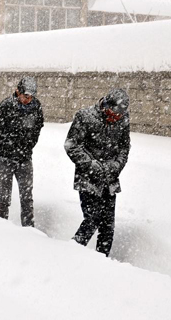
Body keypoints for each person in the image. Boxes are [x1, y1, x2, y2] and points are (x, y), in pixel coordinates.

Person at [64, 88, 131, 257]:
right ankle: (70, 253)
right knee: (92, 219)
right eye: (113, 113)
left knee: (108, 225)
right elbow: (71, 145)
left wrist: (116, 166)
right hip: (88, 177)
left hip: (110, 178)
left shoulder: (123, 120)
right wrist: (90, 165)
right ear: (105, 106)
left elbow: (124, 148)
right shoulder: (85, 116)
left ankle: (102, 260)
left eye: (119, 115)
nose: (116, 118)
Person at [0, 76, 44, 227]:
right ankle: (1, 225)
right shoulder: (5, 106)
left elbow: (38, 129)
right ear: (18, 92)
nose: (28, 99)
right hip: (4, 159)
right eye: (25, 96)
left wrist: (28, 145)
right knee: (4, 197)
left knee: (27, 197)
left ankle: (29, 229)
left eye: (31, 96)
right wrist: (6, 143)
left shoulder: (36, 107)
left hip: (24, 159)